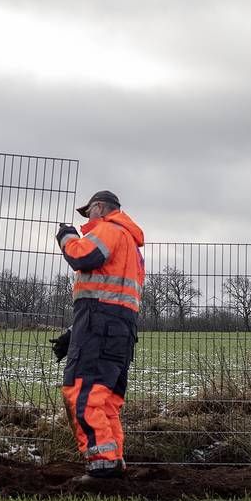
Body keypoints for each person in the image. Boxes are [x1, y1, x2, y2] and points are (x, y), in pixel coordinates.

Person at [54, 190, 145, 478]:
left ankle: (102, 466)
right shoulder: (131, 243)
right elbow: (112, 296)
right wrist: (74, 331)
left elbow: (83, 256)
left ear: (101, 208)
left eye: (89, 212)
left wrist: (66, 236)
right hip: (119, 331)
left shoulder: (109, 229)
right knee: (105, 400)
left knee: (83, 393)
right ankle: (113, 460)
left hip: (99, 326)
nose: (86, 221)